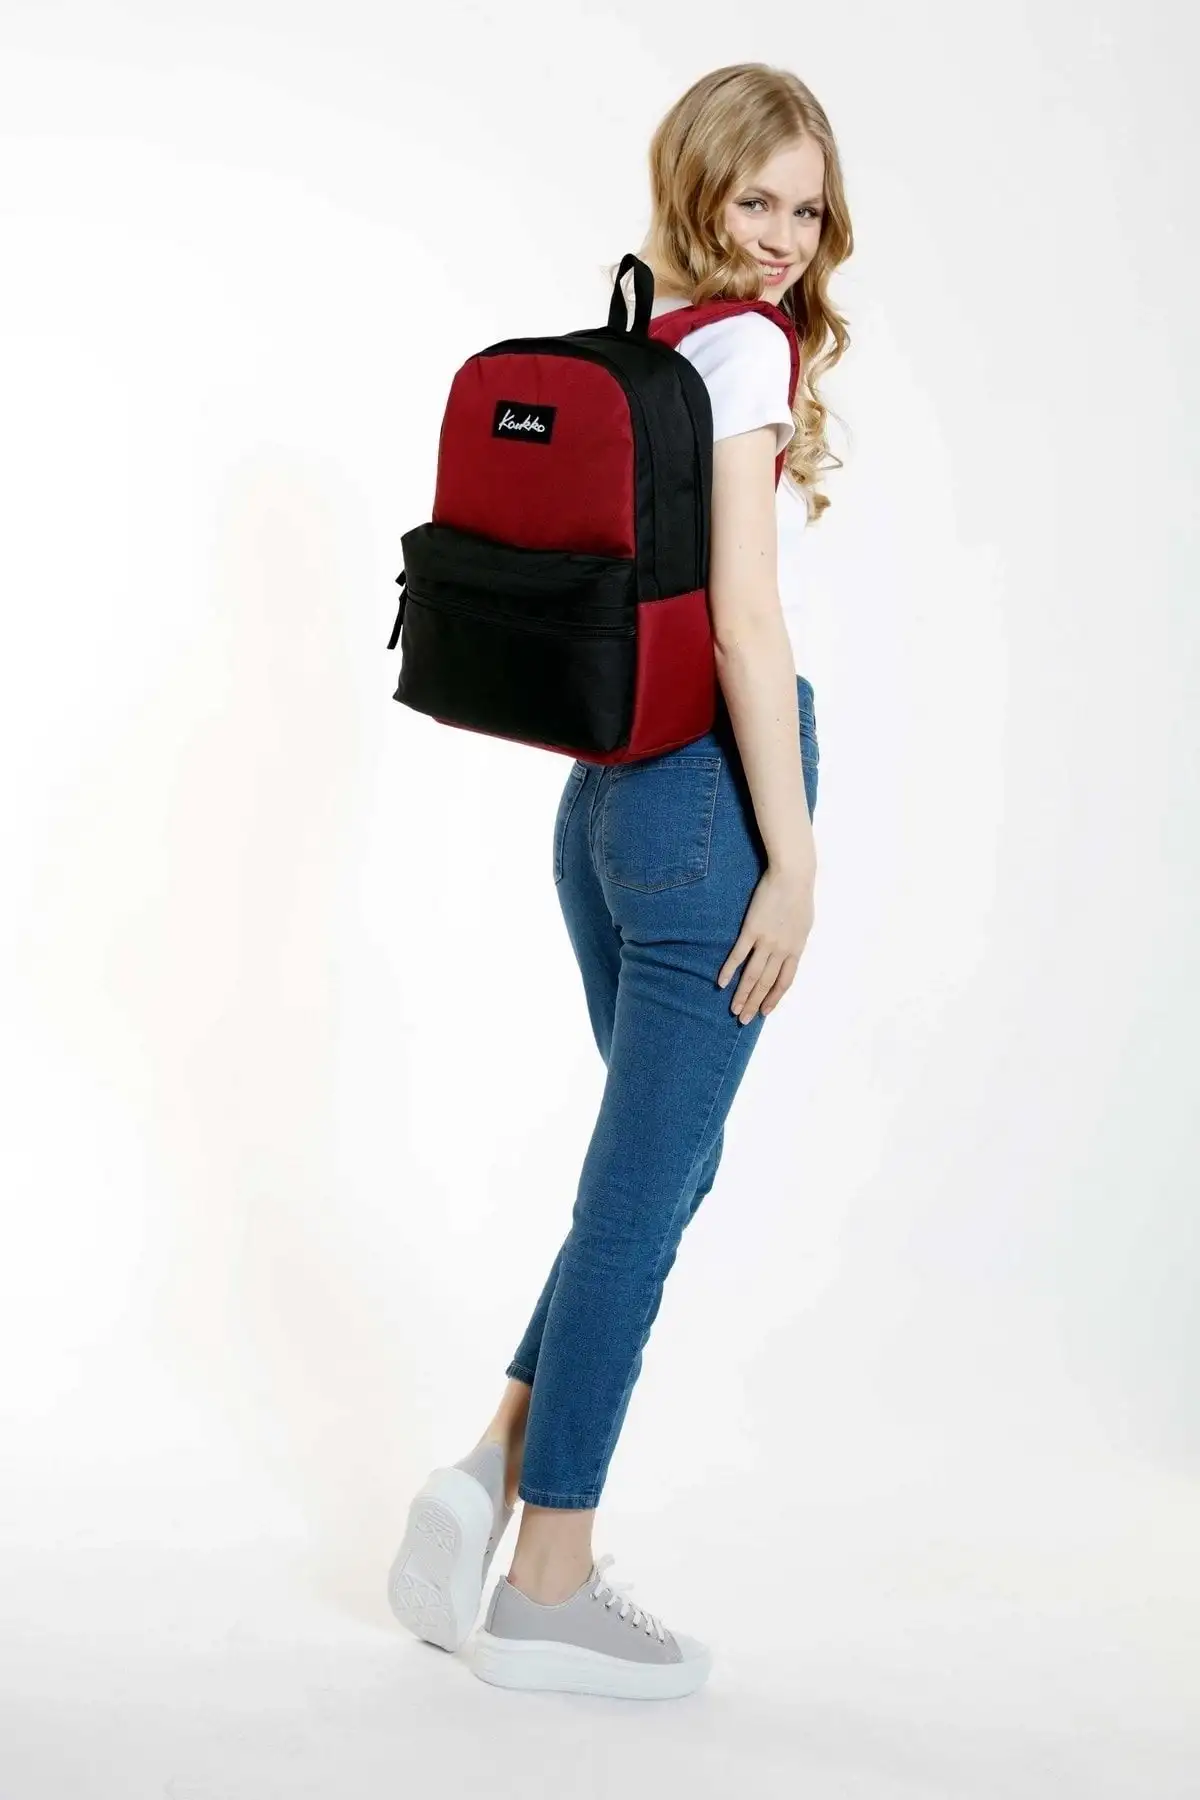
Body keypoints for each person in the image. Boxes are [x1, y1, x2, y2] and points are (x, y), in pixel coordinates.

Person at [388, 61, 853, 1700]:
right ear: (699, 189)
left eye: (809, 209)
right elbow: (743, 623)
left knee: (645, 1184)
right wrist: (793, 863)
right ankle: (550, 1583)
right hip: (705, 816)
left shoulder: (650, 338)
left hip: (598, 809)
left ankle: (489, 1469)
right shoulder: (748, 352)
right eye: (757, 200)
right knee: (643, 1206)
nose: (786, 238)